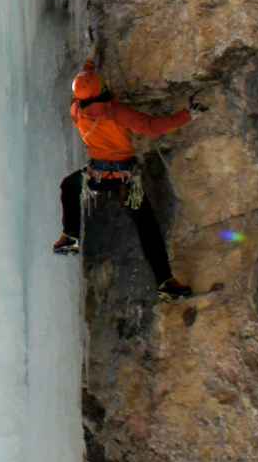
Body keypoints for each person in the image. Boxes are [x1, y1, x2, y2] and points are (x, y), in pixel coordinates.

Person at [55, 61, 196, 300]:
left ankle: (70, 236)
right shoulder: (115, 112)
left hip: (97, 177)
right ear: (101, 89)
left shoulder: (76, 111)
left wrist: (88, 68)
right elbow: (152, 127)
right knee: (147, 230)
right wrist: (188, 114)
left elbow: (83, 95)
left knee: (69, 185)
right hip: (125, 180)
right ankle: (165, 282)